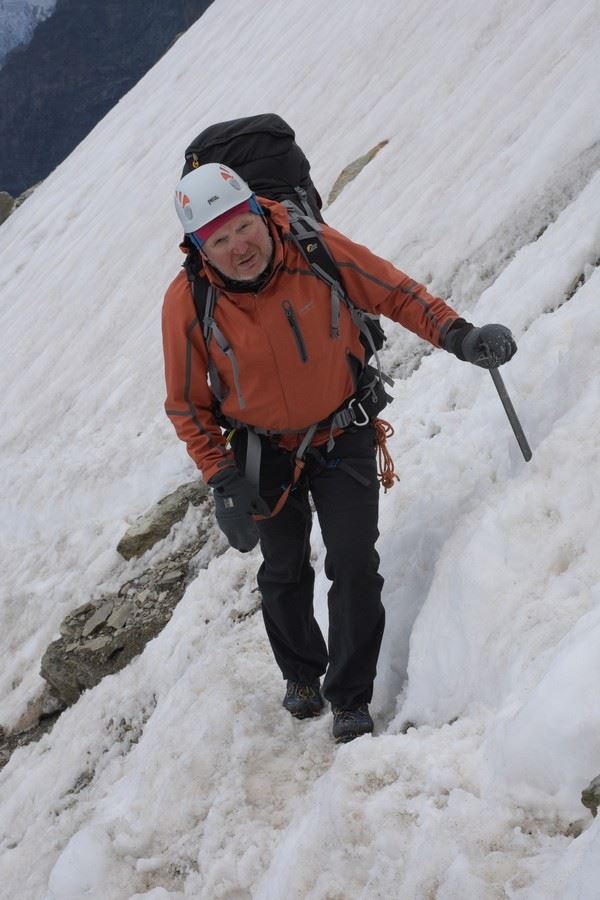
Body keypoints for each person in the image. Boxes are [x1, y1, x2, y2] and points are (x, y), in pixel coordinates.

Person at [162, 162, 517, 743]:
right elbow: (186, 404)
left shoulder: (313, 248)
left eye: (242, 227)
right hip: (262, 452)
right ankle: (301, 671)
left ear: (258, 212)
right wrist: (222, 479)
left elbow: (394, 291)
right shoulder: (188, 302)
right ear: (199, 249)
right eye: (218, 240)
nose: (238, 247)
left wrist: (460, 335)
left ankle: (350, 697)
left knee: (354, 563)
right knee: (282, 570)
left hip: (341, 431)